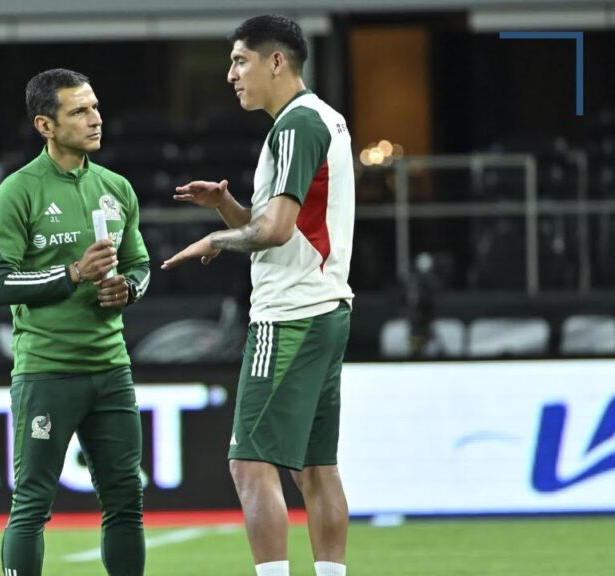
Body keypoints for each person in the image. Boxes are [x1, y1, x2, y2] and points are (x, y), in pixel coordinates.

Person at [161, 15, 355, 576]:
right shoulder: (328, 120)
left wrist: (215, 238)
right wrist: (226, 207)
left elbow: (272, 232)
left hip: (289, 314)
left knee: (249, 463)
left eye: (239, 61)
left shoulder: (295, 125)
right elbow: (284, 226)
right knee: (316, 466)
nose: (230, 75)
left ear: (276, 62)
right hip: (326, 306)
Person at [0, 68, 151, 576]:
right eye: (79, 111)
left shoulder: (116, 188)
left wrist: (128, 289)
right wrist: (75, 272)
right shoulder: (17, 192)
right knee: (32, 506)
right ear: (45, 125)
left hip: (111, 369)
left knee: (127, 503)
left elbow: (139, 266)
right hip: (47, 373)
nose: (95, 119)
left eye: (95, 107)